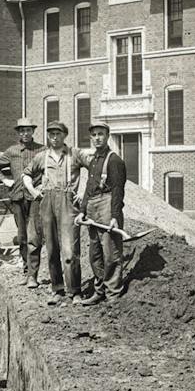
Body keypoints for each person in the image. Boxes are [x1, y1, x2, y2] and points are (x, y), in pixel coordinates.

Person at [25, 120, 83, 304]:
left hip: (67, 201)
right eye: (51, 134)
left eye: (58, 134)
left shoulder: (75, 154)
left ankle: (75, 291)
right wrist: (34, 192)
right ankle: (57, 289)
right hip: (47, 201)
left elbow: (93, 169)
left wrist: (82, 192)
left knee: (70, 250)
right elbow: (26, 175)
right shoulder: (42, 157)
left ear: (64, 135)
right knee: (52, 249)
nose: (54, 137)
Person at [0, 118, 44, 286]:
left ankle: (35, 274)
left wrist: (42, 186)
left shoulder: (42, 150)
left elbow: (50, 168)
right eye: (21, 131)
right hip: (17, 198)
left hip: (35, 198)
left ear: (33, 131)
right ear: (18, 133)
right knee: (22, 236)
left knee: (35, 235)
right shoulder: (12, 151)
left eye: (27, 130)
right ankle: (27, 272)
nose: (25, 133)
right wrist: (5, 180)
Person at [76, 121, 128, 304]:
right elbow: (88, 188)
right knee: (95, 253)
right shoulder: (93, 160)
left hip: (107, 207)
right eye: (94, 135)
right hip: (92, 208)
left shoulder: (114, 160)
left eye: (101, 134)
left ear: (107, 136)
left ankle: (113, 294)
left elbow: (118, 191)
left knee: (111, 252)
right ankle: (99, 291)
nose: (97, 138)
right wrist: (82, 211)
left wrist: (114, 216)